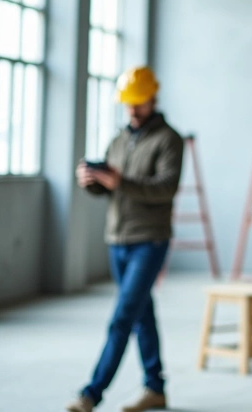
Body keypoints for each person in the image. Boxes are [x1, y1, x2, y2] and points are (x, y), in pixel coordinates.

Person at [67, 65, 185, 412]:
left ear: (153, 97)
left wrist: (121, 182)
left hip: (150, 240)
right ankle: (155, 387)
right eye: (128, 103)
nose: (132, 109)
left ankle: (91, 394)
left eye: (138, 101)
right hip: (117, 240)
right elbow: (111, 190)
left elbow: (165, 188)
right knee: (141, 313)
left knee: (122, 318)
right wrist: (92, 182)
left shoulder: (169, 140)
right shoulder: (119, 140)